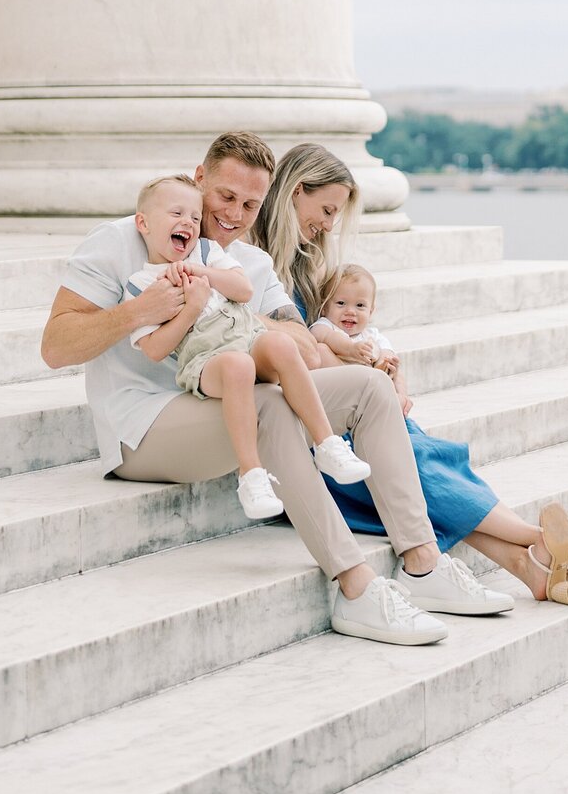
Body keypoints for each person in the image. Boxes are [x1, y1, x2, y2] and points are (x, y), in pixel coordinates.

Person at [40, 131, 508, 645]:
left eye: (250, 204)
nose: (234, 215)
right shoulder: (122, 240)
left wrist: (226, 304)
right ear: (199, 180)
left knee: (370, 388)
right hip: (145, 426)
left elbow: (302, 347)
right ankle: (355, 587)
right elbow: (56, 347)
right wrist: (141, 311)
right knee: (269, 403)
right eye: (224, 197)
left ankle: (422, 566)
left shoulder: (250, 266)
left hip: (224, 400)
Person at [249, 141, 568, 605]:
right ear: (296, 191)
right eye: (325, 209)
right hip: (297, 431)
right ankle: (534, 539)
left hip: (332, 411)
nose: (327, 224)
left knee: (413, 454)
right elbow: (300, 356)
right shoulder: (252, 261)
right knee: (414, 462)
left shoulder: (304, 268)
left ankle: (530, 570)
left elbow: (330, 345)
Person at [125, 173, 371, 519]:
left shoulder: (208, 253)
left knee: (283, 345)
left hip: (247, 333)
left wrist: (204, 274)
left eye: (195, 217)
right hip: (206, 358)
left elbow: (243, 291)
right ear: (144, 223)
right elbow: (153, 349)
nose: (188, 223)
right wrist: (191, 309)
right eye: (176, 214)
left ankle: (327, 443)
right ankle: (252, 475)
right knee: (238, 365)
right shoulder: (141, 284)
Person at [311, 265, 411, 414]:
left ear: (370, 311)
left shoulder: (372, 335)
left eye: (360, 305)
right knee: (321, 351)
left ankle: (401, 399)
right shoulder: (326, 326)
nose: (350, 311)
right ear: (324, 307)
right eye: (341, 303)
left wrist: (385, 364)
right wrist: (350, 349)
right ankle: (369, 392)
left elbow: (386, 352)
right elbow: (321, 334)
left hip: (371, 381)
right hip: (344, 385)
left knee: (397, 373)